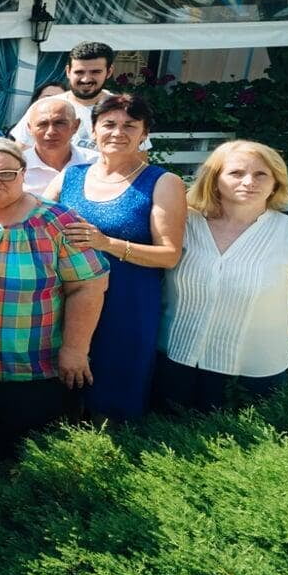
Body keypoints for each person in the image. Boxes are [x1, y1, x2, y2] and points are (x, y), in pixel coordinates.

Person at [0, 137, 109, 498]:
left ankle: (19, 489)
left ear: (24, 173)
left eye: (7, 173)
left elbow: (88, 285)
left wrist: (75, 349)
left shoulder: (57, 221)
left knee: (24, 433)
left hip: (29, 365)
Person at [155, 140, 288, 411]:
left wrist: (265, 338)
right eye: (236, 173)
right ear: (215, 180)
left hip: (251, 375)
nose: (249, 182)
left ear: (275, 182)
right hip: (170, 363)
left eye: (261, 174)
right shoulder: (183, 224)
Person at [45, 94, 185, 419]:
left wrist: (106, 243)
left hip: (127, 301)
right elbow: (38, 222)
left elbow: (169, 255)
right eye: (109, 124)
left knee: (113, 389)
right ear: (93, 130)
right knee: (60, 385)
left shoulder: (162, 182)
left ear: (144, 133)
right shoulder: (70, 176)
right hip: (67, 296)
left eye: (130, 125)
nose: (117, 132)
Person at [11, 40, 118, 149]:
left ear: (109, 72)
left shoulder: (121, 108)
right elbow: (21, 150)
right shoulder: (43, 107)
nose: (86, 79)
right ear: (68, 71)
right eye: (79, 72)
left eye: (95, 72)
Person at [19, 95, 95, 195]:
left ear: (75, 126)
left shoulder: (95, 162)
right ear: (30, 128)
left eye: (59, 123)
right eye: (42, 124)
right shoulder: (16, 166)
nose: (51, 132)